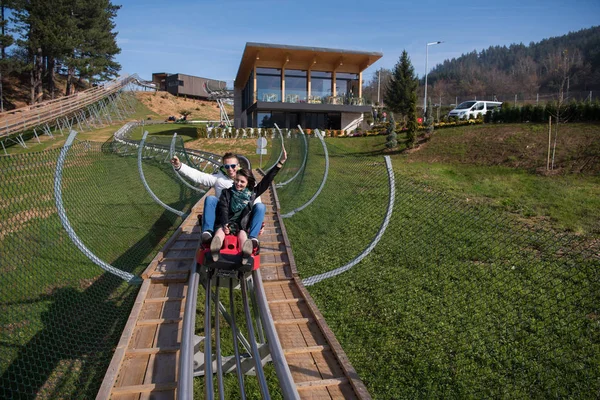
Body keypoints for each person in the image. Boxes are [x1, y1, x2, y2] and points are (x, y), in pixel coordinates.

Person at [170, 152, 265, 246]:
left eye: (233, 166)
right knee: (211, 199)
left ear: (238, 165)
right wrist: (180, 166)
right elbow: (199, 177)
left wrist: (259, 223)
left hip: (242, 217)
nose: (230, 169)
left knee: (260, 206)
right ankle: (207, 232)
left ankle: (252, 237)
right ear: (223, 167)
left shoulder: (247, 180)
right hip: (224, 214)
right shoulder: (218, 178)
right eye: (227, 166)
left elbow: (256, 201)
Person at [210, 150, 287, 262]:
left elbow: (267, 180)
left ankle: (246, 252)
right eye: (237, 180)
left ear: (247, 184)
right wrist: (225, 223)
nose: (238, 184)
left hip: (241, 225)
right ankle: (215, 249)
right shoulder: (226, 192)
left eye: (242, 182)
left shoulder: (252, 194)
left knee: (243, 235)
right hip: (226, 222)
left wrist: (280, 163)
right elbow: (223, 208)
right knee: (220, 232)